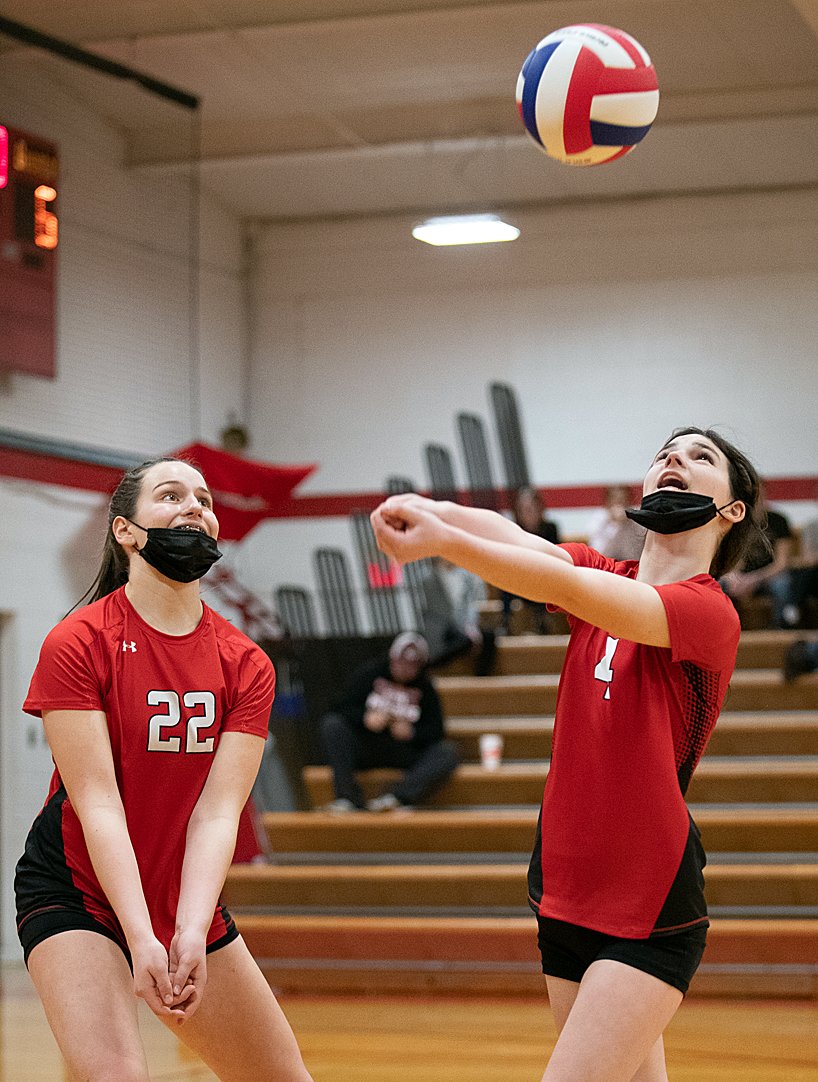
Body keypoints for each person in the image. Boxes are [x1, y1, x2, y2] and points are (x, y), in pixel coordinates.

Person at [371, 427, 764, 1082]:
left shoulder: (708, 611)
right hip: (562, 880)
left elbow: (565, 585)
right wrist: (432, 509)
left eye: (702, 457)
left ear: (732, 510)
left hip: (647, 892)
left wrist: (443, 544)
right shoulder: (604, 569)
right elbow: (516, 540)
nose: (675, 458)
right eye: (666, 451)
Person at [14, 458, 313, 1082]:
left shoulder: (246, 663)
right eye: (171, 495)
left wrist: (189, 930)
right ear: (125, 531)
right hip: (79, 891)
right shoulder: (78, 642)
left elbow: (216, 813)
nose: (194, 508)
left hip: (181, 897)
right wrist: (140, 936)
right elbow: (98, 803)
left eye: (203, 500)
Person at [319, 631, 458, 812]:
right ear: (392, 657)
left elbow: (436, 731)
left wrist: (412, 732)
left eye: (411, 666)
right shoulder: (369, 674)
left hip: (404, 752)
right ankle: (347, 798)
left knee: (447, 752)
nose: (404, 669)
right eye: (400, 662)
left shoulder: (426, 689)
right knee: (332, 725)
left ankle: (397, 798)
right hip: (366, 746)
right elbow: (339, 707)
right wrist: (364, 718)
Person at [720, 483, 795, 627]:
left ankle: (781, 627)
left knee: (782, 585)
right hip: (742, 576)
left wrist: (755, 579)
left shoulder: (778, 520)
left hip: (770, 575)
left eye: (759, 494)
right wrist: (734, 577)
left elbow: (782, 562)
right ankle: (725, 628)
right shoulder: (735, 521)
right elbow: (730, 559)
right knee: (718, 585)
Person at [420, 556, 497, 676]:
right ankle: (430, 667)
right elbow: (431, 610)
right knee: (460, 640)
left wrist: (470, 626)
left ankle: (482, 678)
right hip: (440, 626)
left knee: (489, 636)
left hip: (462, 624)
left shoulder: (465, 577)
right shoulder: (426, 578)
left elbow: (470, 606)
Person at [501, 485, 562, 633]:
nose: (528, 513)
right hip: (522, 581)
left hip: (546, 578)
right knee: (503, 574)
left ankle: (543, 621)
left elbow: (558, 559)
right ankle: (506, 622)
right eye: (524, 509)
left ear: (539, 509)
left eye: (531, 508)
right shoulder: (513, 530)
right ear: (518, 512)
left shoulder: (550, 528)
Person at [588, 483, 647, 561]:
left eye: (623, 500)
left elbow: (636, 554)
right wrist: (615, 525)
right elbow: (598, 554)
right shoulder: (599, 519)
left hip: (632, 564)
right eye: (615, 499)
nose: (619, 504)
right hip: (606, 565)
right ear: (607, 502)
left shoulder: (636, 518)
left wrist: (626, 521)